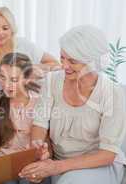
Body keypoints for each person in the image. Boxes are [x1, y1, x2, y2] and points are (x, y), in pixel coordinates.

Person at [19, 25, 126, 184]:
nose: (64, 65)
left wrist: (56, 167)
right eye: (62, 58)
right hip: (57, 162)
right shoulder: (51, 81)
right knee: (26, 178)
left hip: (97, 165)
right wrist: (40, 149)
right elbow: (40, 124)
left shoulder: (113, 94)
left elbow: (107, 154)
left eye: (72, 61)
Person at [0, 52, 49, 184]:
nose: (6, 85)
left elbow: (47, 142)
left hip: (30, 161)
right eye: (2, 78)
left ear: (27, 79)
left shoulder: (40, 101)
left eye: (13, 80)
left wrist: (44, 154)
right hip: (3, 161)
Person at [0, 6, 60, 94]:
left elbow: (56, 64)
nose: (0, 32)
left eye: (5, 28)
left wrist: (25, 69)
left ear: (12, 30)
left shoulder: (24, 45)